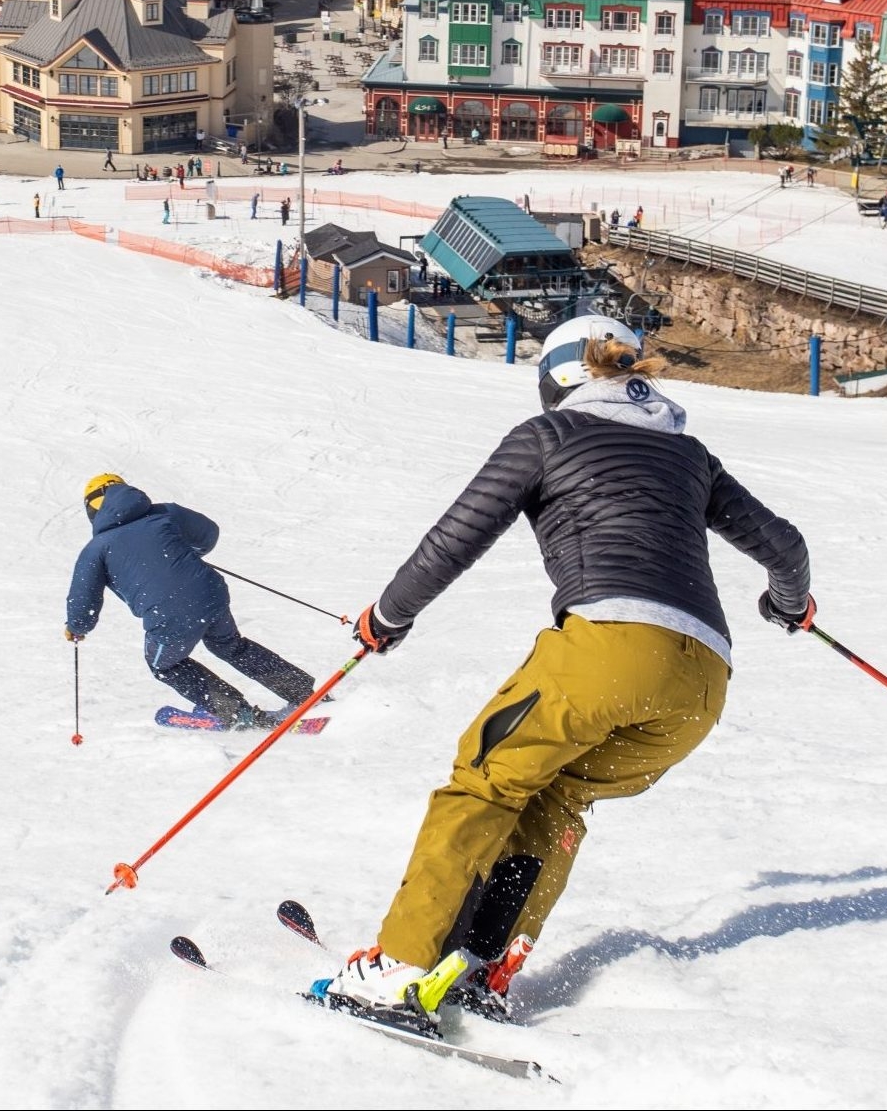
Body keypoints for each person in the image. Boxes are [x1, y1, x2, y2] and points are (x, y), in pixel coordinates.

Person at [316, 318, 812, 1030]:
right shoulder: (689, 455)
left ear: (555, 381)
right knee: (556, 800)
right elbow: (786, 548)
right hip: (702, 682)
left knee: (483, 781)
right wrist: (787, 605)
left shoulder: (548, 436)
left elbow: (458, 535)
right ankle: (482, 968)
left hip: (606, 649)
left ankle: (397, 969)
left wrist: (387, 617)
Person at [65, 474, 316, 728]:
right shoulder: (163, 513)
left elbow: (83, 602)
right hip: (210, 593)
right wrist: (183, 555)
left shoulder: (96, 549)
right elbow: (207, 534)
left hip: (168, 613)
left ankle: (238, 713)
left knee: (164, 664)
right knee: (230, 645)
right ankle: (304, 693)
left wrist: (76, 629)